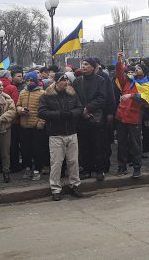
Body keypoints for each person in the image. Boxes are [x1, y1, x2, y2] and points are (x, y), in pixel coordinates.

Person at [39, 72, 84, 201]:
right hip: (55, 134)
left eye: (67, 81)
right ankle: (55, 188)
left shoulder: (72, 93)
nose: (66, 83)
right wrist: (58, 114)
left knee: (73, 161)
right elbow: (42, 112)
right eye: (64, 81)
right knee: (56, 163)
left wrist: (71, 114)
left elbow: (80, 108)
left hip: (71, 132)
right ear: (57, 82)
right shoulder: (47, 95)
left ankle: (75, 185)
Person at [114, 52, 149, 178]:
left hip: (134, 118)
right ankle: (122, 167)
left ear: (144, 72)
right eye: (135, 68)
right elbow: (119, 74)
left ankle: (137, 168)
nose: (136, 69)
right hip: (121, 117)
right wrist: (119, 60)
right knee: (122, 143)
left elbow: (146, 100)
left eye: (139, 68)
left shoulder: (145, 85)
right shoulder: (128, 81)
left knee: (135, 145)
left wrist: (130, 95)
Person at [72, 58, 108, 181]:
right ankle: (87, 169)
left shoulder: (100, 80)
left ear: (93, 67)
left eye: (86, 64)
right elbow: (74, 98)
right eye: (83, 64)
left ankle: (99, 170)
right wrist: (82, 111)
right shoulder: (77, 81)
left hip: (95, 118)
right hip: (81, 118)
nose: (83, 66)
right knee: (84, 145)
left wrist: (88, 108)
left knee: (98, 145)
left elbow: (101, 98)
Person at [17, 72, 47, 181]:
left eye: (31, 80)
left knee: (37, 149)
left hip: (36, 127)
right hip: (24, 126)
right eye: (27, 80)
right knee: (25, 150)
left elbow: (45, 110)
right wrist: (20, 110)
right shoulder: (23, 92)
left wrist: (40, 123)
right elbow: (18, 105)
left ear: (36, 81)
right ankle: (28, 167)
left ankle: (37, 169)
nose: (29, 82)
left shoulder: (42, 93)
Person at [0, 79, 16, 183]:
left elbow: (12, 111)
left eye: (1, 85)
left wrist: (1, 118)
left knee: (5, 153)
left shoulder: (8, 99)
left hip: (5, 128)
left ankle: (6, 172)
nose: (1, 87)